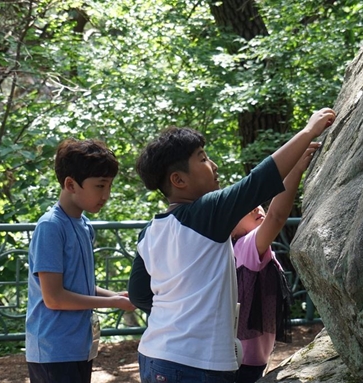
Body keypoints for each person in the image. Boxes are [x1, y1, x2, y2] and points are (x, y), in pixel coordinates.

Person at [128, 108, 336, 383]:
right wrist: (309, 130)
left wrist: (177, 315)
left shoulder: (150, 231)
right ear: (179, 180)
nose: (213, 165)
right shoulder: (206, 212)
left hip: (154, 355)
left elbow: (139, 294)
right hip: (197, 364)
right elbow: (258, 182)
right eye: (202, 158)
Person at [26, 138, 136, 383]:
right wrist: (114, 303)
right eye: (100, 186)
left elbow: (77, 285)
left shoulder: (84, 225)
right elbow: (54, 298)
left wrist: (115, 296)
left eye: (109, 186)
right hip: (53, 349)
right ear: (70, 184)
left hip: (79, 346)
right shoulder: (51, 227)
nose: (106, 195)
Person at [231, 143, 320, 383]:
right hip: (243, 365)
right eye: (245, 207)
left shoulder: (242, 249)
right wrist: (295, 169)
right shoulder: (246, 246)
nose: (256, 206)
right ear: (230, 228)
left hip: (244, 360)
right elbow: (277, 216)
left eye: (256, 201)